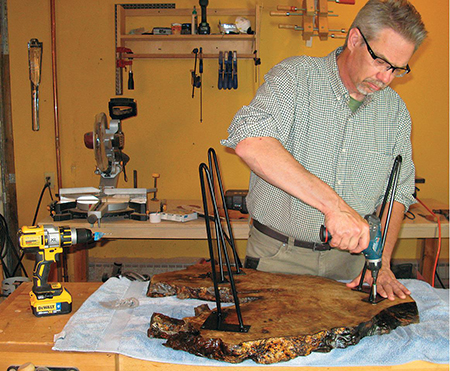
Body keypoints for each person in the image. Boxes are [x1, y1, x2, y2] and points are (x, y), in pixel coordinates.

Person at [221, 0, 427, 301]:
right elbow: (251, 141)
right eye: (381, 62)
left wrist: (379, 262)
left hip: (353, 265)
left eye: (396, 69)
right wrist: (334, 207)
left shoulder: (395, 112)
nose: (385, 78)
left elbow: (397, 194)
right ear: (355, 40)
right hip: (279, 257)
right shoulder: (295, 78)